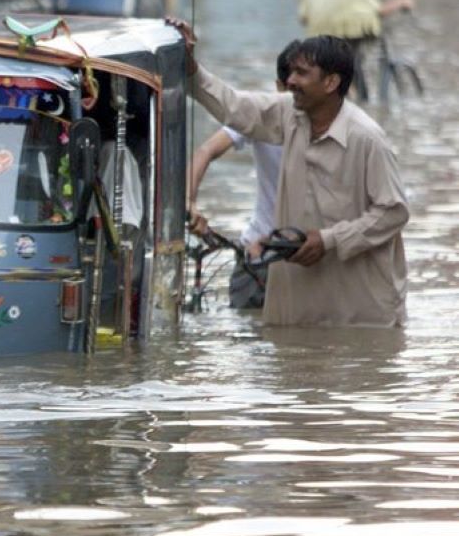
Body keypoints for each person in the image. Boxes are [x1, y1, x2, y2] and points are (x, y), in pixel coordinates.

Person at [167, 18, 409, 327]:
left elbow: (394, 212)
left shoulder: (367, 139)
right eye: (291, 72)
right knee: (289, 367)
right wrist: (191, 68)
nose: (290, 81)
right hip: (299, 305)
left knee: (354, 369)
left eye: (301, 73)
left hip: (358, 310)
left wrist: (329, 240)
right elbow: (234, 107)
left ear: (331, 83)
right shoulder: (289, 114)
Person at [187, 40, 299, 308]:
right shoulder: (264, 115)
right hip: (257, 256)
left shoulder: (337, 129)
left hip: (304, 258)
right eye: (292, 90)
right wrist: (189, 202)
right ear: (279, 88)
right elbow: (206, 151)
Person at [299, 0, 414, 100]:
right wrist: (402, 2)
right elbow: (379, 9)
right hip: (344, 38)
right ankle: (360, 99)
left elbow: (303, 16)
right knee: (354, 66)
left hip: (317, 41)